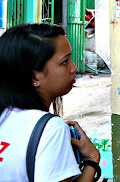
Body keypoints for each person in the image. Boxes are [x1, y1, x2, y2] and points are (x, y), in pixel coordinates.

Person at [0, 23, 100, 182]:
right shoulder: (52, 129)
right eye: (65, 62)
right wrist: (92, 160)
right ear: (34, 77)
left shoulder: (5, 114)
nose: (73, 68)